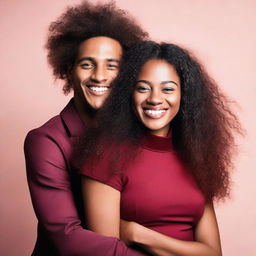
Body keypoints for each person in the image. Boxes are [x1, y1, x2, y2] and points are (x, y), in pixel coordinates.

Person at [79, 41, 242, 256]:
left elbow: (213, 253)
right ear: (128, 93)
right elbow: (106, 252)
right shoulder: (106, 155)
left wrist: (138, 233)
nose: (155, 99)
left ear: (184, 96)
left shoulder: (196, 156)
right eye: (143, 88)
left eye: (167, 89)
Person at [24, 1, 148, 255]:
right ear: (69, 71)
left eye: (111, 66)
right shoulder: (46, 141)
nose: (99, 76)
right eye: (87, 64)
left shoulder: (142, 128)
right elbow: (67, 237)